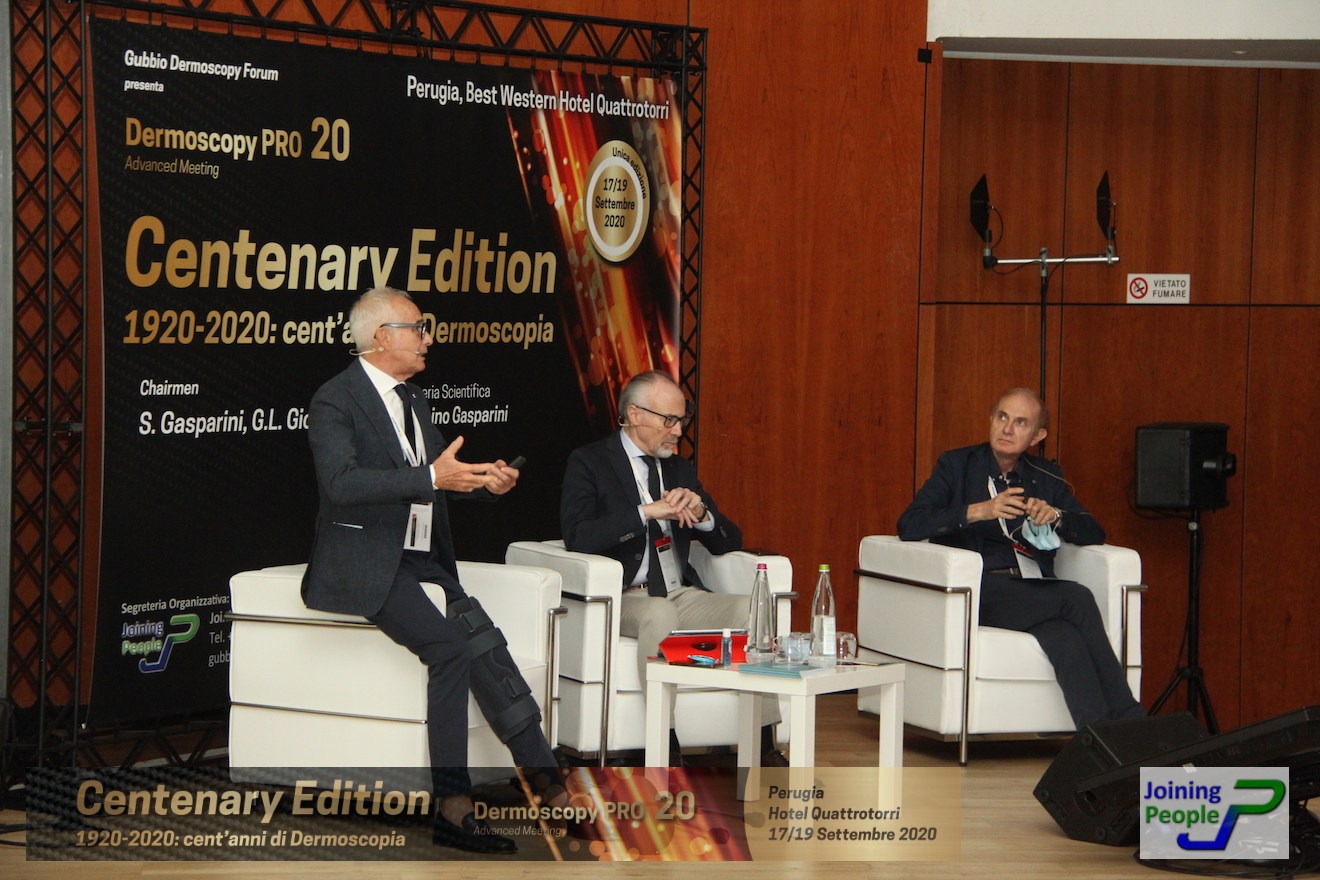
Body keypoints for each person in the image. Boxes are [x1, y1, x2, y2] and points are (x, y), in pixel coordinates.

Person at [301, 287, 558, 855]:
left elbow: (443, 476)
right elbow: (341, 484)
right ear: (380, 337)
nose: (428, 339)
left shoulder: (414, 400)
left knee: (486, 647)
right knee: (449, 650)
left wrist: (485, 484)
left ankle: (550, 787)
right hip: (368, 561)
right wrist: (432, 478)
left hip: (422, 559)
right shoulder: (335, 399)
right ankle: (453, 809)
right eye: (418, 328)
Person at [560, 370, 787, 766]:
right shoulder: (590, 461)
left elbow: (729, 540)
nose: (678, 431)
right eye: (669, 420)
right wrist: (645, 513)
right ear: (634, 414)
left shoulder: (679, 469)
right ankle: (664, 746)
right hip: (626, 596)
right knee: (659, 611)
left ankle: (764, 742)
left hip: (679, 592)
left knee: (753, 608)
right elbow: (578, 536)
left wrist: (702, 515)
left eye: (682, 420)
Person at [897, 387, 1143, 728]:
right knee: (1076, 597)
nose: (1007, 428)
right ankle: (1133, 722)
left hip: (1030, 592)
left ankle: (1098, 741)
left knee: (1065, 638)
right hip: (979, 590)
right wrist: (978, 511)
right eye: (1002, 417)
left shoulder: (1045, 475)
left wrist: (1055, 516)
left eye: (1021, 422)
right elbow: (909, 524)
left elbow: (1094, 531)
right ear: (991, 420)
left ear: (1037, 436)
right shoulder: (956, 465)